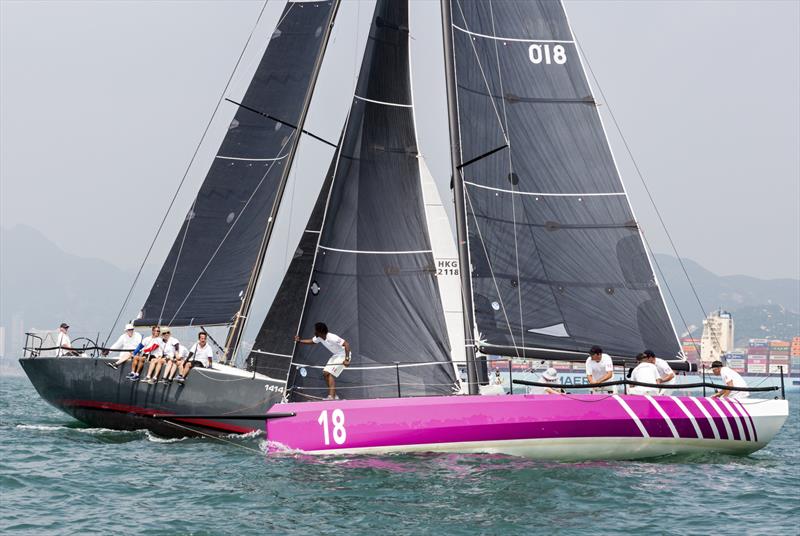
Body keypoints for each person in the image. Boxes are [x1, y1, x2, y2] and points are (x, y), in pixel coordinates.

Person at [294, 322, 351, 400]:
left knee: (329, 373)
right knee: (325, 373)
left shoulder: (332, 337)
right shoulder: (319, 337)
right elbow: (312, 341)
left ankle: (331, 397)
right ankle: (334, 396)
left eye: (316, 330)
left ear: (320, 331)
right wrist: (299, 341)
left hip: (344, 355)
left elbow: (346, 344)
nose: (314, 332)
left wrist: (347, 359)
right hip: (336, 355)